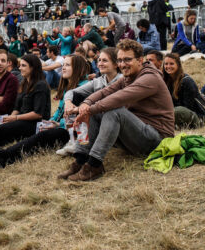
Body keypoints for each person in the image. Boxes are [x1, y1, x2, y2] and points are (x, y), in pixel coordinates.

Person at [58, 39, 174, 182]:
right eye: (119, 60)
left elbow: (118, 98)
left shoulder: (149, 78)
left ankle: (94, 165)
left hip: (157, 139)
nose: (122, 64)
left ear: (140, 60)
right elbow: (105, 92)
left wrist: (88, 110)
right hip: (137, 133)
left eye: (127, 59)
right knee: (96, 111)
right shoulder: (128, 76)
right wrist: (86, 104)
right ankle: (80, 160)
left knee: (113, 110)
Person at [0, 54, 90, 168]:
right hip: (58, 125)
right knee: (29, 135)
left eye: (68, 65)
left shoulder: (83, 88)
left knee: (39, 138)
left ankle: (2, 158)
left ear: (78, 68)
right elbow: (60, 111)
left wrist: (57, 124)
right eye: (64, 64)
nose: (63, 67)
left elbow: (81, 117)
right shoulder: (67, 86)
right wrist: (51, 121)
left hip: (71, 131)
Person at [58, 48, 121, 156]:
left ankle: (80, 140)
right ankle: (75, 140)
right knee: (76, 96)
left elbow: (111, 103)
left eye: (104, 61)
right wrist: (68, 102)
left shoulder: (122, 80)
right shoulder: (99, 81)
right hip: (97, 117)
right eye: (99, 60)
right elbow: (71, 92)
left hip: (114, 121)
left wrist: (79, 108)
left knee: (86, 103)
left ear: (116, 64)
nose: (100, 63)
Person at [163, 53, 205, 128]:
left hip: (196, 117)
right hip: (176, 114)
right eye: (166, 64)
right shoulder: (167, 81)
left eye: (171, 64)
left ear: (178, 65)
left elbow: (188, 107)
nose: (168, 66)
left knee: (177, 111)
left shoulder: (186, 81)